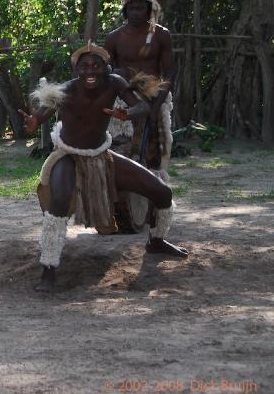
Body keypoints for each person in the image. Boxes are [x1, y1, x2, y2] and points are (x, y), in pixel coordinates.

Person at [21, 42, 188, 293]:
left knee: (162, 192)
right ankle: (48, 269)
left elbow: (142, 106)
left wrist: (127, 113)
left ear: (106, 67)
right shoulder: (66, 90)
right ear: (77, 70)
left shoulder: (115, 84)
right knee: (59, 205)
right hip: (68, 155)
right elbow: (44, 112)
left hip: (102, 155)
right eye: (85, 65)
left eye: (96, 65)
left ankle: (157, 240)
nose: (91, 70)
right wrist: (35, 121)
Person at [105, 0, 176, 233]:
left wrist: (156, 107)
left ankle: (156, 212)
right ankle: (121, 213)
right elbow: (106, 74)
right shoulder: (114, 38)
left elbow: (168, 73)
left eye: (140, 8)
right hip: (123, 102)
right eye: (131, 8)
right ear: (125, 10)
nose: (135, 13)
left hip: (155, 98)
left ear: (150, 10)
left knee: (154, 157)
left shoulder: (161, 35)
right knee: (121, 150)